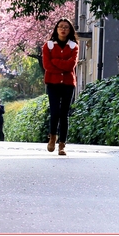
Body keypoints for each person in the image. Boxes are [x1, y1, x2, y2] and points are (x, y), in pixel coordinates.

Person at [42, 18, 79, 156]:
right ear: (56, 29)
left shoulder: (74, 46)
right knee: (55, 111)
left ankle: (62, 144)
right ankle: (52, 137)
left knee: (64, 114)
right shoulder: (49, 45)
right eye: (60, 26)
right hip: (52, 83)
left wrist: (56, 61)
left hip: (68, 84)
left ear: (70, 31)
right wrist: (62, 65)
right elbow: (47, 65)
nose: (63, 29)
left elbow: (71, 65)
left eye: (66, 27)